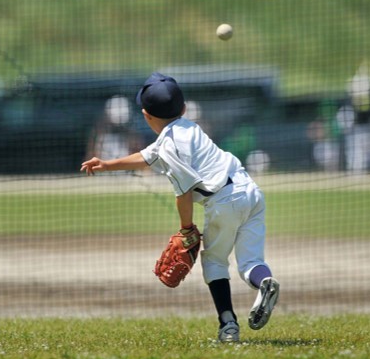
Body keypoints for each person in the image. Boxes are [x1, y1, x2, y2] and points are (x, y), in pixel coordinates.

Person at [81, 73, 280, 342]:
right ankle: (264, 282)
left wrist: (186, 228)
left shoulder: (169, 146)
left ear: (145, 115)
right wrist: (107, 164)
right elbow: (147, 157)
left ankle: (228, 325)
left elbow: (183, 192)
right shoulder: (188, 127)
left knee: (214, 262)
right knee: (251, 262)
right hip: (251, 191)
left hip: (224, 202)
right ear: (183, 109)